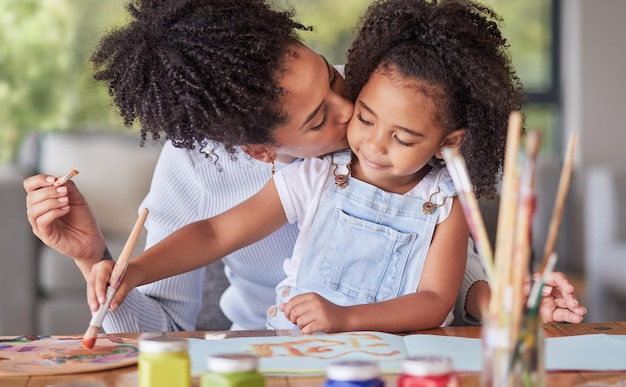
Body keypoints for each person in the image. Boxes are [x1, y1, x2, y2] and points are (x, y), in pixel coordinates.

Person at [24, 0, 584, 333]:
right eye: (319, 120)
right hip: (276, 346)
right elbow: (175, 307)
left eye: (336, 80)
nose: (353, 121)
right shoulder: (220, 171)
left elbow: (442, 268)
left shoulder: (384, 102)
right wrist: (103, 264)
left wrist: (505, 299)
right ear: (258, 151)